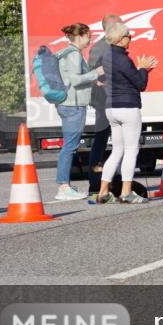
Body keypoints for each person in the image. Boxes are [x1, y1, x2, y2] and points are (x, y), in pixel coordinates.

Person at [96, 21, 157, 204]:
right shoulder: (123, 59)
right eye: (129, 36)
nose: (130, 39)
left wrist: (141, 70)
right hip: (128, 107)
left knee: (116, 151)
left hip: (111, 108)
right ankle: (126, 192)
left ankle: (103, 193)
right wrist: (144, 69)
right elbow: (140, 84)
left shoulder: (107, 56)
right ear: (121, 39)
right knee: (131, 150)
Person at [55, 23, 104, 201]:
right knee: (70, 146)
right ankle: (63, 187)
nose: (90, 39)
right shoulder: (74, 54)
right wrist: (96, 73)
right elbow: (75, 80)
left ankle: (64, 185)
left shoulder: (65, 52)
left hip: (67, 103)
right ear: (81, 36)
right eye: (88, 35)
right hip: (73, 105)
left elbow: (70, 78)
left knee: (69, 145)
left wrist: (93, 81)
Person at [87, 14, 122, 193]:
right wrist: (103, 83)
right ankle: (94, 183)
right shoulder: (99, 48)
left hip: (118, 99)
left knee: (119, 142)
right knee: (100, 140)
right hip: (104, 101)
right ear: (111, 27)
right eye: (120, 23)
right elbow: (92, 74)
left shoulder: (116, 46)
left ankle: (115, 180)